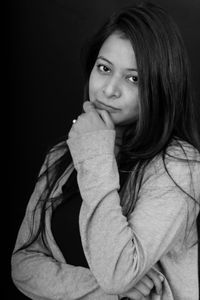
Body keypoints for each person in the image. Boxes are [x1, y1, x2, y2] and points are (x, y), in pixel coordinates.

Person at [11, 2, 200, 300]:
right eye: (104, 68)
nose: (108, 89)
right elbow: (23, 264)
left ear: (161, 87)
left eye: (133, 78)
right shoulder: (63, 156)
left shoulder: (179, 166)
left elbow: (116, 272)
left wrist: (96, 155)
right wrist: (110, 291)